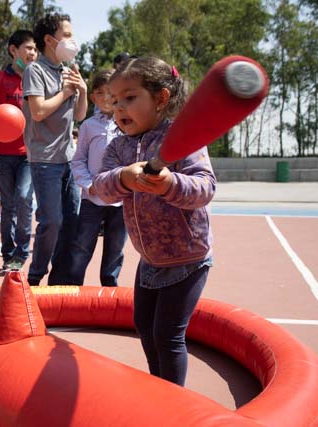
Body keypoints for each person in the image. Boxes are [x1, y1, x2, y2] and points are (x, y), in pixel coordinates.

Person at [92, 56, 216, 386]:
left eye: (130, 98)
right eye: (115, 101)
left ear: (161, 98)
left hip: (188, 257)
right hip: (150, 259)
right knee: (144, 327)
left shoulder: (181, 137)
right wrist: (123, 178)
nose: (119, 109)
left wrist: (170, 184)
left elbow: (206, 187)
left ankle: (173, 405)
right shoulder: (118, 148)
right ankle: (159, 389)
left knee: (167, 335)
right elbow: (101, 188)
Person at [22, 13, 88, 285]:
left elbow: (80, 116)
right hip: (45, 160)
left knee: (72, 223)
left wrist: (82, 90)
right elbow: (37, 112)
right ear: (50, 40)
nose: (73, 41)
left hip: (68, 159)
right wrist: (65, 93)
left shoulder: (69, 71)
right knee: (52, 222)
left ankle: (60, 281)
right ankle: (35, 277)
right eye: (67, 34)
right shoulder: (34, 70)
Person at [0, 29, 37, 271]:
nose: (33, 53)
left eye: (36, 49)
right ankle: (8, 254)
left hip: (29, 154)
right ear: (13, 50)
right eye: (29, 48)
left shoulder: (37, 78)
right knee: (8, 205)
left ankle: (22, 251)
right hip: (3, 154)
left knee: (25, 198)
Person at [68, 69, 126, 287]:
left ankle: (110, 289)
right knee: (82, 246)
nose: (107, 98)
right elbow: (78, 160)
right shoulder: (89, 126)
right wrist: (89, 185)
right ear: (93, 97)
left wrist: (126, 185)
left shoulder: (128, 124)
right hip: (92, 199)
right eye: (101, 93)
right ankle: (74, 288)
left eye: (112, 93)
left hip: (120, 200)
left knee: (115, 248)